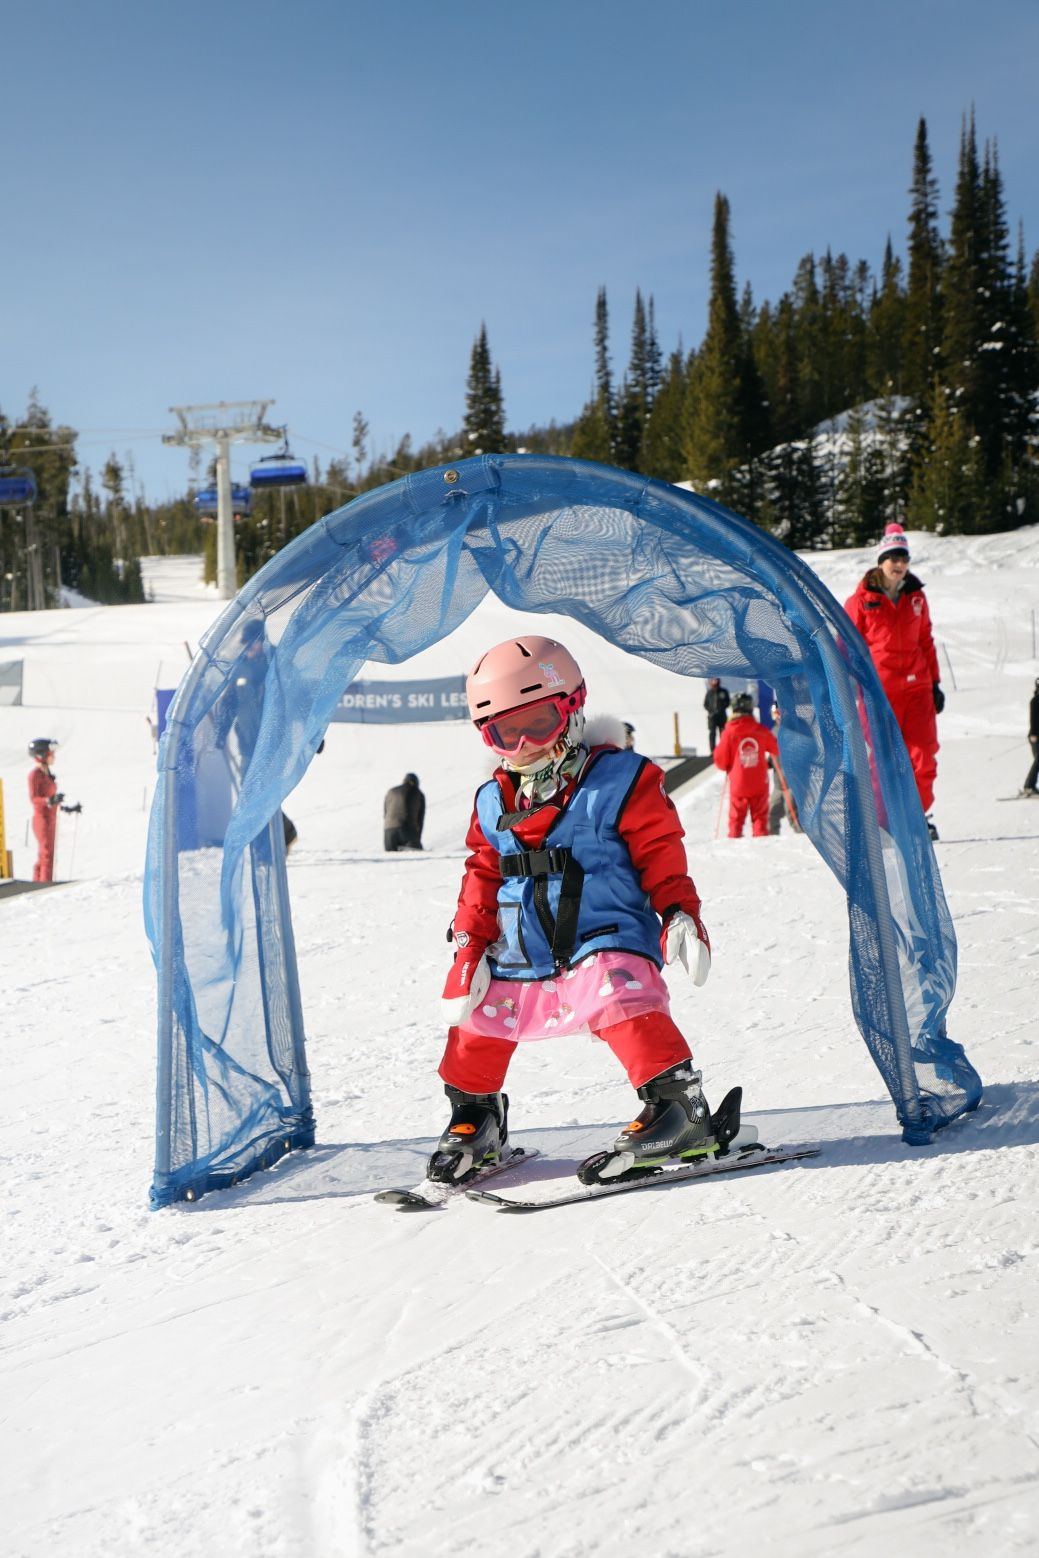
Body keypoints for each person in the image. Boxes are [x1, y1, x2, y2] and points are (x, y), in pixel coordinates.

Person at [428, 634, 713, 1188]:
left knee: (619, 996)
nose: (525, 745)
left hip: (602, 933)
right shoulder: (492, 801)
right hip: (522, 946)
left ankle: (677, 1106)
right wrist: (470, 947)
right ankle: (475, 1114)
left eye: (538, 723)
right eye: (505, 733)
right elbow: (481, 878)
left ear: (572, 708)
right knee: (477, 1018)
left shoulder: (622, 781)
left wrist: (680, 910)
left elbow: (661, 852)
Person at [844, 525, 944, 834]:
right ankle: (882, 823)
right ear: (881, 561)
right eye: (893, 558)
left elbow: (925, 640)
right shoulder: (860, 600)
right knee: (882, 760)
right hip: (877, 694)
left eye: (904, 558)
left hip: (917, 690)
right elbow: (846, 647)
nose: (899, 564)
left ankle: (917, 818)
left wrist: (935, 683)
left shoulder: (916, 597)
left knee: (923, 756)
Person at [214, 619, 298, 851]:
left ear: (262, 641)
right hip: (248, 744)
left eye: (252, 643)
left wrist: (314, 736)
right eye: (245, 644)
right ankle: (273, 838)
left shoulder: (279, 663)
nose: (248, 648)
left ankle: (277, 838)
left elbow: (297, 700)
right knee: (250, 795)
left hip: (274, 745)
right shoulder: (240, 668)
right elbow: (229, 703)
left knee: (266, 793)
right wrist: (221, 730)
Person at [712, 692, 778, 839]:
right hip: (759, 781)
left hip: (739, 783)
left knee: (736, 820)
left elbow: (720, 761)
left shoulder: (729, 732)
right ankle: (762, 845)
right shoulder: (760, 730)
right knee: (760, 818)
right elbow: (776, 748)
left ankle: (734, 845)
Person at [27, 738, 81, 882]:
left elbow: (52, 800)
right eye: (51, 754)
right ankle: (44, 885)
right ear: (42, 755)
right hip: (42, 819)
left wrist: (66, 808)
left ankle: (38, 884)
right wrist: (48, 800)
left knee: (46, 855)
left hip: (51, 819)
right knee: (47, 855)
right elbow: (34, 799)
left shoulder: (47, 775)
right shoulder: (35, 775)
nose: (54, 757)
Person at [767, 703, 802, 836]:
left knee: (793, 814)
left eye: (779, 714)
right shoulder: (773, 731)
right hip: (778, 783)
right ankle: (770, 839)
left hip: (790, 783)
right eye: (775, 714)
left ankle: (802, 837)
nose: (778, 717)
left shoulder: (793, 730)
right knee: (771, 814)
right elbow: (773, 755)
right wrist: (769, 763)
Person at [383, 772, 425, 851]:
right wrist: (417, 840)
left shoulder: (391, 792)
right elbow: (420, 819)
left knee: (392, 857)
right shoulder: (418, 793)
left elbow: (385, 814)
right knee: (416, 855)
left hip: (388, 832)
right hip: (407, 829)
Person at [1020, 677, 1039, 797]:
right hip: (1035, 737)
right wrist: (1033, 734)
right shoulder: (1035, 701)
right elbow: (1034, 719)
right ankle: (1029, 786)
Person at [703, 678, 730, 752]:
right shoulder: (709, 693)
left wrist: (722, 707)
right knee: (712, 733)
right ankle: (713, 751)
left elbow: (728, 702)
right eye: (713, 680)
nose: (714, 682)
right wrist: (711, 710)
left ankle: (723, 750)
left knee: (723, 733)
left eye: (716, 680)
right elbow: (705, 704)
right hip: (712, 717)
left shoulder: (723, 691)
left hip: (722, 717)